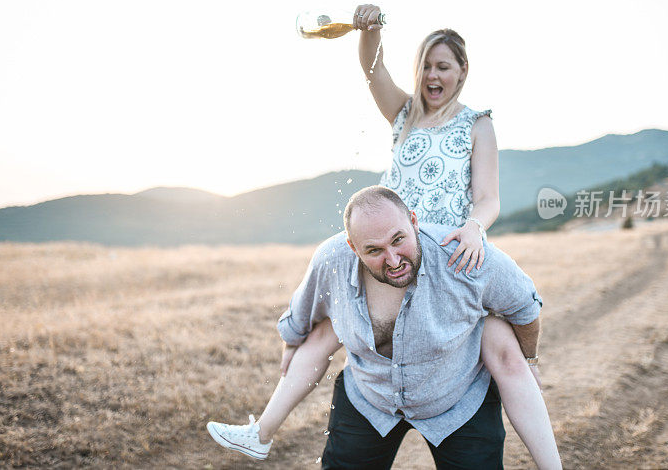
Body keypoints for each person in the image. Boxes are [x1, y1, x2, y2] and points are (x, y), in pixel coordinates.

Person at [206, 5, 562, 468]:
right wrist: (368, 30)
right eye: (427, 66)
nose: (433, 75)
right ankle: (261, 432)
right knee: (330, 323)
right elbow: (372, 69)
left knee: (499, 345)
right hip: (385, 240)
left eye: (444, 67)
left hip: (446, 252)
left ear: (462, 71)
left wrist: (475, 229)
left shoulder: (478, 124)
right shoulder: (405, 113)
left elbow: (488, 198)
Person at [210, 187, 557, 468]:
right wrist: (291, 346)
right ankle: (260, 434)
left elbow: (525, 309)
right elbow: (303, 313)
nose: (392, 260)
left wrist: (530, 360)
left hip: (456, 399)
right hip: (369, 397)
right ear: (352, 247)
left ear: (414, 221)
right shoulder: (331, 259)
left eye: (398, 240)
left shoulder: (468, 260)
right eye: (374, 250)